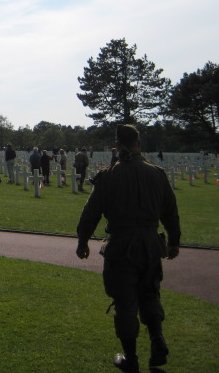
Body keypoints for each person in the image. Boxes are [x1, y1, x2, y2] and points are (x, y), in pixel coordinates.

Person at [76, 125, 181, 373]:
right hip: (151, 246)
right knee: (150, 293)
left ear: (118, 146)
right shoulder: (157, 174)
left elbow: (91, 213)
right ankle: (157, 339)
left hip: (122, 248)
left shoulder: (109, 176)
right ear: (139, 144)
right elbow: (170, 212)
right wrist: (174, 241)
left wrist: (82, 240)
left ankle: (131, 358)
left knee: (124, 302)